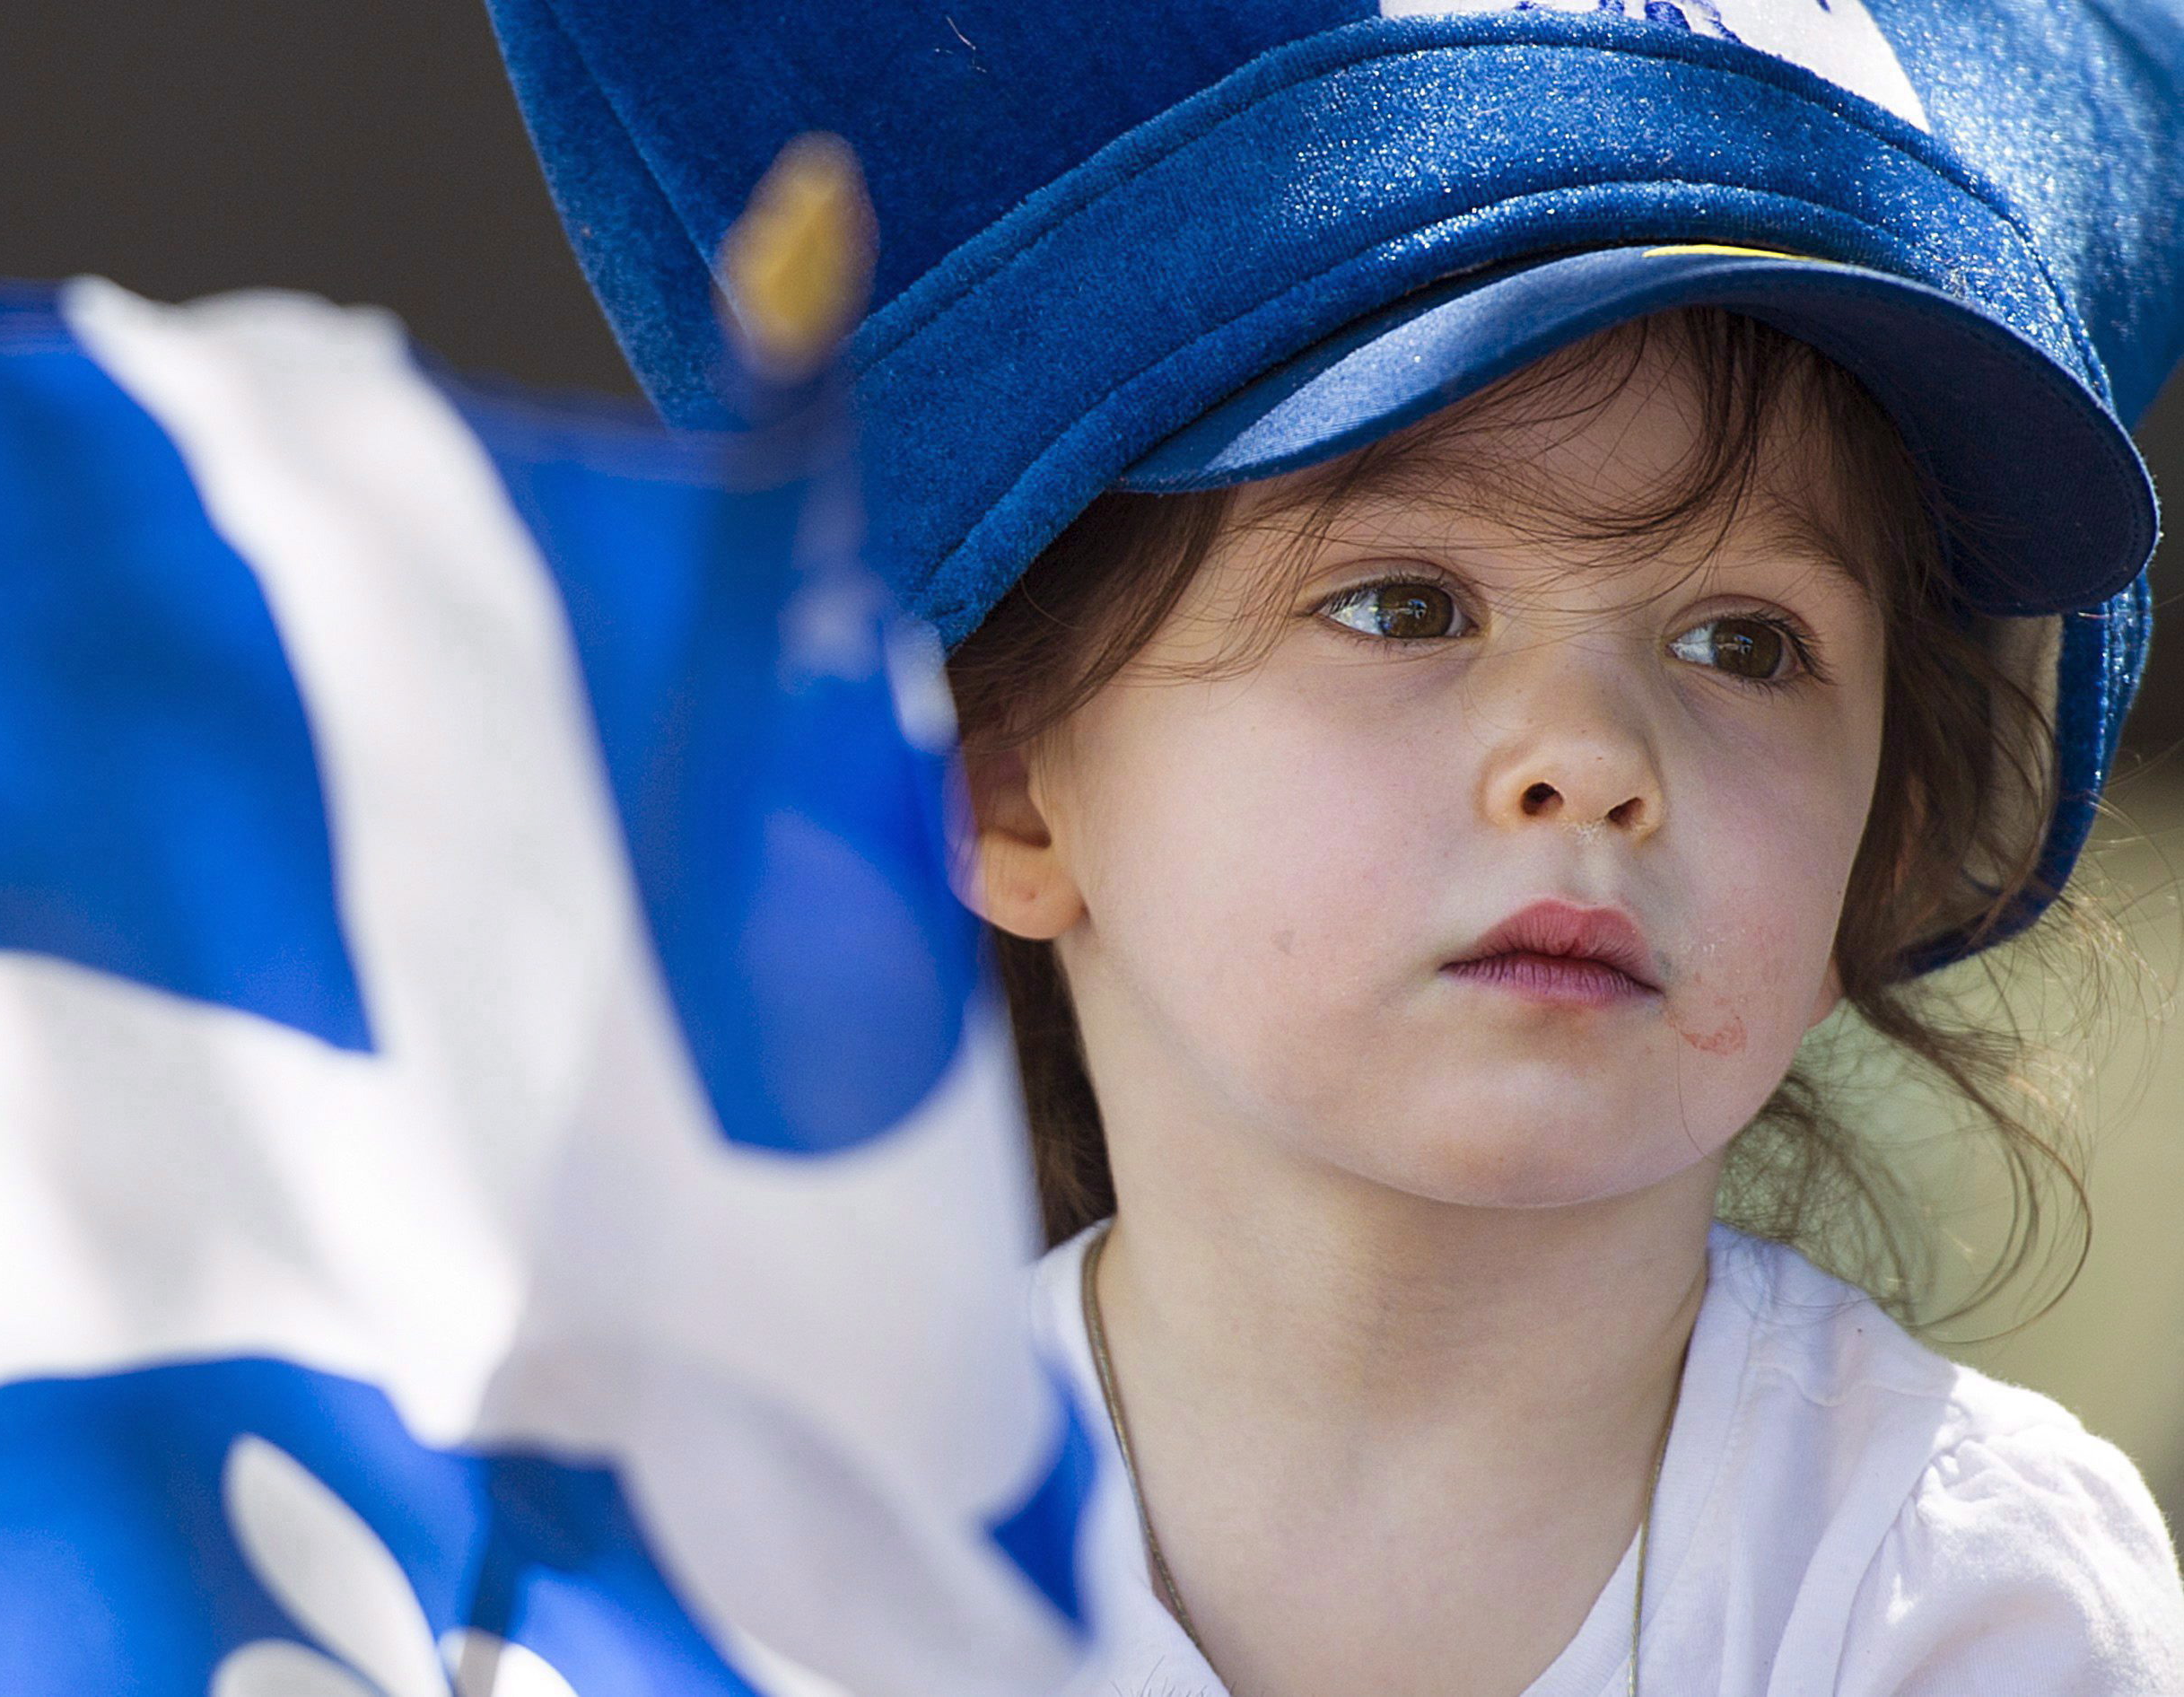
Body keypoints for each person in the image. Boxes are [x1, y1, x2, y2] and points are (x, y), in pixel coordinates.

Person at [484, 0, 2184, 1688]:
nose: (1591, 762)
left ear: (1871, 859)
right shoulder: (747, 1586)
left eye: (1747, 643)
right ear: (1007, 791)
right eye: (1404, 606)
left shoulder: (1949, 1585)